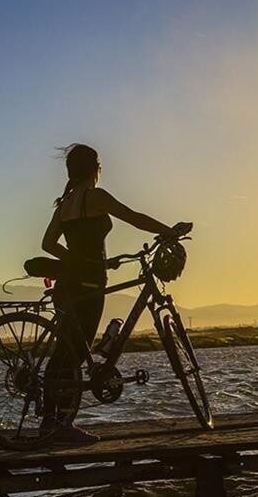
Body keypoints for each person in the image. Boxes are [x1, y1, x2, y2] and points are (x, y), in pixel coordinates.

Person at [40, 143, 187, 442]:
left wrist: (80, 260)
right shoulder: (93, 196)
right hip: (90, 284)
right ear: (95, 169)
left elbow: (48, 244)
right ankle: (60, 426)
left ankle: (50, 422)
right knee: (75, 353)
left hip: (70, 283)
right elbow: (132, 216)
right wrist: (169, 231)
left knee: (65, 352)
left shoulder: (66, 203)